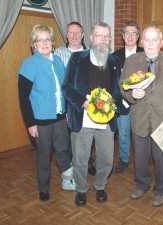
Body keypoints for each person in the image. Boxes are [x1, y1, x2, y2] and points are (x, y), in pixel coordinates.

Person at [120, 26, 163, 207]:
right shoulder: (132, 61)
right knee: (140, 157)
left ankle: (161, 190)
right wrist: (132, 94)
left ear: (161, 43)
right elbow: (122, 85)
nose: (150, 43)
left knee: (162, 159)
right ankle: (141, 185)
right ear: (142, 42)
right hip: (139, 118)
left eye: (154, 40)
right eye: (147, 40)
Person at [62, 22, 122, 207]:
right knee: (80, 158)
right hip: (83, 115)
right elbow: (67, 87)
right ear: (91, 37)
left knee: (106, 158)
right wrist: (84, 103)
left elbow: (118, 91)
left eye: (106, 36)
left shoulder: (114, 62)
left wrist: (114, 106)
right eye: (99, 35)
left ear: (110, 39)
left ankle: (100, 186)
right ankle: (81, 189)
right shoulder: (77, 59)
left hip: (107, 119)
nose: (103, 39)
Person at [18, 25, 76, 202]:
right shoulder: (29, 64)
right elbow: (23, 98)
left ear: (53, 42)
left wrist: (67, 110)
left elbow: (65, 88)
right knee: (44, 155)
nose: (44, 43)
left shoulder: (58, 61)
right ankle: (43, 188)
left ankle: (67, 180)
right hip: (41, 120)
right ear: (33, 44)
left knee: (63, 150)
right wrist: (30, 123)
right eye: (39, 40)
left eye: (48, 39)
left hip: (60, 117)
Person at [54, 21, 96, 176]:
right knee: (69, 137)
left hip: (87, 103)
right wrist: (64, 108)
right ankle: (71, 167)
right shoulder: (57, 54)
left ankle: (88, 162)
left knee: (88, 134)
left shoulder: (92, 53)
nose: (74, 35)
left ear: (83, 34)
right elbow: (59, 83)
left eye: (77, 32)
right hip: (66, 102)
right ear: (66, 34)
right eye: (71, 32)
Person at [112, 21, 144, 173]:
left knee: (140, 133)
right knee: (123, 133)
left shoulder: (146, 54)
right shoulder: (114, 57)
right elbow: (113, 81)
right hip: (122, 103)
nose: (130, 36)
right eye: (127, 33)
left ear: (138, 37)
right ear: (123, 36)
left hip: (142, 103)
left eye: (134, 33)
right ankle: (124, 159)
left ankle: (142, 160)